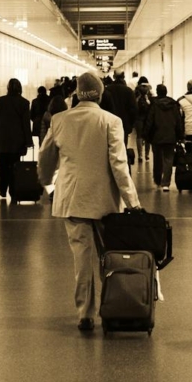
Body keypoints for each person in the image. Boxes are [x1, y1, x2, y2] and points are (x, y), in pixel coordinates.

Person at [39, 71, 142, 332]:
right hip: (105, 200)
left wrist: (48, 183)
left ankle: (85, 313)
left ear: (76, 92)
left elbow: (45, 157)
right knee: (108, 257)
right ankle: (110, 307)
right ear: (100, 93)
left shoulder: (60, 120)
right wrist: (132, 202)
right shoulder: (111, 121)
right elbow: (119, 165)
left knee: (81, 259)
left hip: (72, 200)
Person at [0, 78, 33, 199]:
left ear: (8, 88)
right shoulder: (24, 103)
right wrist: (29, 141)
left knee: (3, 165)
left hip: (2, 140)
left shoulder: (0, 101)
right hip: (17, 141)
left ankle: (2, 189)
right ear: (20, 88)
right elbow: (26, 124)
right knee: (15, 166)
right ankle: (13, 191)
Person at [144, 84, 184, 192]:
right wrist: (180, 136)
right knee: (168, 159)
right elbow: (178, 121)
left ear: (157, 92)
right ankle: (166, 183)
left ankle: (157, 179)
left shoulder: (154, 105)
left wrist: (146, 136)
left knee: (157, 158)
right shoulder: (174, 104)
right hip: (171, 135)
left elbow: (149, 121)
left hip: (157, 136)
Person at [100, 72, 138, 152]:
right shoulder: (128, 91)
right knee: (122, 146)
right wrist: (131, 124)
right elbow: (133, 109)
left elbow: (102, 108)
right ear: (124, 77)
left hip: (108, 123)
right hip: (124, 124)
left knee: (109, 147)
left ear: (114, 77)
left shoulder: (107, 90)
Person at [133, 76, 153, 166]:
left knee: (139, 136)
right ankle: (147, 155)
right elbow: (152, 104)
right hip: (148, 117)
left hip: (138, 117)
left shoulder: (136, 91)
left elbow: (133, 104)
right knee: (148, 136)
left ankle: (140, 155)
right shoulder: (150, 91)